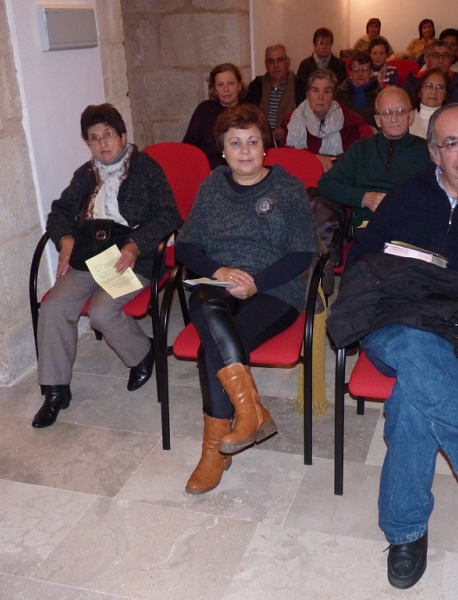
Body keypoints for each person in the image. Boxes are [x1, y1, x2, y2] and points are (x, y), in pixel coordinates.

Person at [334, 103, 458, 589]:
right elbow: (361, 256)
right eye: (451, 143)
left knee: (411, 406)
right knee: (416, 347)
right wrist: (401, 264)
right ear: (433, 153)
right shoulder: (407, 195)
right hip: (393, 320)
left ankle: (405, 530)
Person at [174, 105, 318, 494]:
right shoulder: (212, 186)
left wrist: (256, 283)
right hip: (218, 283)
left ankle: (214, 452)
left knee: (212, 351)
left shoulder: (286, 188)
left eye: (252, 141)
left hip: (274, 288)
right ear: (222, 150)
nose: (244, 150)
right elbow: (185, 245)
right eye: (235, 143)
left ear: (265, 147)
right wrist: (219, 271)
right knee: (203, 297)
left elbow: (303, 253)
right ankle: (249, 411)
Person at [32, 104, 181, 429]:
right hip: (90, 257)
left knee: (102, 311)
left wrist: (135, 245)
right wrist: (66, 239)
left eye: (108, 135)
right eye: (94, 138)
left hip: (134, 256)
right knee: (53, 307)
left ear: (123, 136)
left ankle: (142, 353)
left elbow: (169, 215)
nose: (102, 144)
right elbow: (58, 212)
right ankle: (56, 391)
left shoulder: (146, 169)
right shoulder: (85, 175)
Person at [318, 87, 430, 228]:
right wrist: (365, 198)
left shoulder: (427, 151)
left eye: (401, 111)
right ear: (378, 120)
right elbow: (327, 184)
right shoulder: (361, 148)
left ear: (411, 116)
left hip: (411, 226)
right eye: (387, 113)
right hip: (369, 226)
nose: (394, 118)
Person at [280, 69, 366, 172]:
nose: (320, 97)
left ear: (333, 96)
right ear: (308, 94)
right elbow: (288, 157)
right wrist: (315, 159)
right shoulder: (292, 122)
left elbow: (354, 160)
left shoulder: (349, 123)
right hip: (301, 178)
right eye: (315, 90)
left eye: (327, 91)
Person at [403, 41, 458, 127]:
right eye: (435, 55)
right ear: (426, 60)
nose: (441, 60)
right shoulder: (412, 85)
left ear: (451, 60)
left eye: (445, 55)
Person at [183, 63, 246, 169]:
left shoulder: (251, 111)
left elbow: (264, 148)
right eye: (220, 85)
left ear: (239, 86)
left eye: (230, 83)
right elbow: (189, 148)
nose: (226, 89)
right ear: (215, 90)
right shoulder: (204, 110)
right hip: (210, 171)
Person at [244, 44, 306, 145]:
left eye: (280, 60)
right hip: (261, 144)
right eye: (271, 61)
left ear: (288, 62)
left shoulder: (300, 86)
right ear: (266, 65)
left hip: (291, 144)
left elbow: (307, 120)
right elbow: (248, 117)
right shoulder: (257, 86)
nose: (276, 66)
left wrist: (287, 132)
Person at [335, 50, 383, 125]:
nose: (360, 74)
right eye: (356, 70)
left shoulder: (380, 94)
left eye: (364, 69)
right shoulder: (340, 92)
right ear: (350, 72)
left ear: (371, 71)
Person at [409, 68, 449, 138]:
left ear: (445, 94)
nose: (434, 92)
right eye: (429, 86)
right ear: (419, 92)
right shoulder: (406, 118)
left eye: (440, 87)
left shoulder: (452, 120)